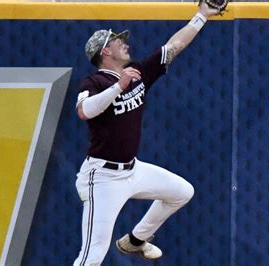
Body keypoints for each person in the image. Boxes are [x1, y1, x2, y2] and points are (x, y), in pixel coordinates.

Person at [73, 3, 219, 265]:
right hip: (102, 178)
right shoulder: (94, 82)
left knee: (182, 192)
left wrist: (202, 16)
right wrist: (118, 86)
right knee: (92, 256)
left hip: (132, 170)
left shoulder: (138, 72)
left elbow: (173, 47)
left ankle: (136, 240)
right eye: (118, 41)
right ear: (105, 51)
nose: (125, 44)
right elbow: (84, 111)